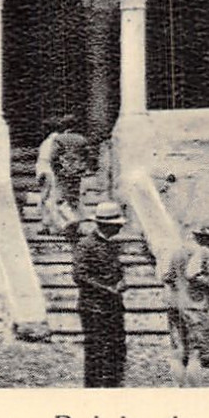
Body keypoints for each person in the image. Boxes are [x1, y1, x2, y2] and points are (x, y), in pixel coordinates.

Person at [162, 219, 209, 387]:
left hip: (175, 305)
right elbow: (192, 273)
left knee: (178, 350)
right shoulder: (202, 252)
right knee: (196, 353)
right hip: (194, 307)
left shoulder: (178, 251)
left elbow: (167, 277)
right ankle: (195, 393)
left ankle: (180, 388)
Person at [73, 200, 128, 388]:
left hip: (113, 307)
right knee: (96, 351)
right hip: (93, 308)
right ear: (106, 225)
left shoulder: (112, 246)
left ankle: (113, 387)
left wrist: (121, 281)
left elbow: (117, 271)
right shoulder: (86, 245)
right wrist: (107, 289)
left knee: (116, 349)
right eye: (117, 224)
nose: (120, 227)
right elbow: (80, 276)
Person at [36, 115, 90, 238]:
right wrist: (82, 167)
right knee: (74, 198)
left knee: (61, 198)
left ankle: (70, 221)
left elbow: (53, 157)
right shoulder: (82, 139)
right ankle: (77, 225)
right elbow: (87, 155)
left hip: (62, 172)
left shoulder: (59, 139)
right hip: (77, 172)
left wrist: (57, 170)